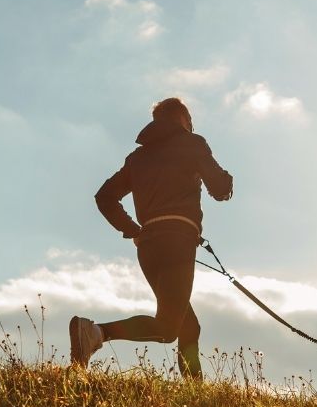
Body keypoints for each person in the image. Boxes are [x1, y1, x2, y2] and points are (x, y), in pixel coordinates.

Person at [69, 97, 233, 377]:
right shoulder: (192, 143)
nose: (192, 127)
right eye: (190, 122)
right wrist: (224, 178)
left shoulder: (138, 158)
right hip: (178, 242)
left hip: (148, 246)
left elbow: (104, 197)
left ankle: (195, 395)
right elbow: (219, 188)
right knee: (169, 328)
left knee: (188, 326)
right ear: (182, 119)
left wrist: (133, 230)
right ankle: (96, 333)